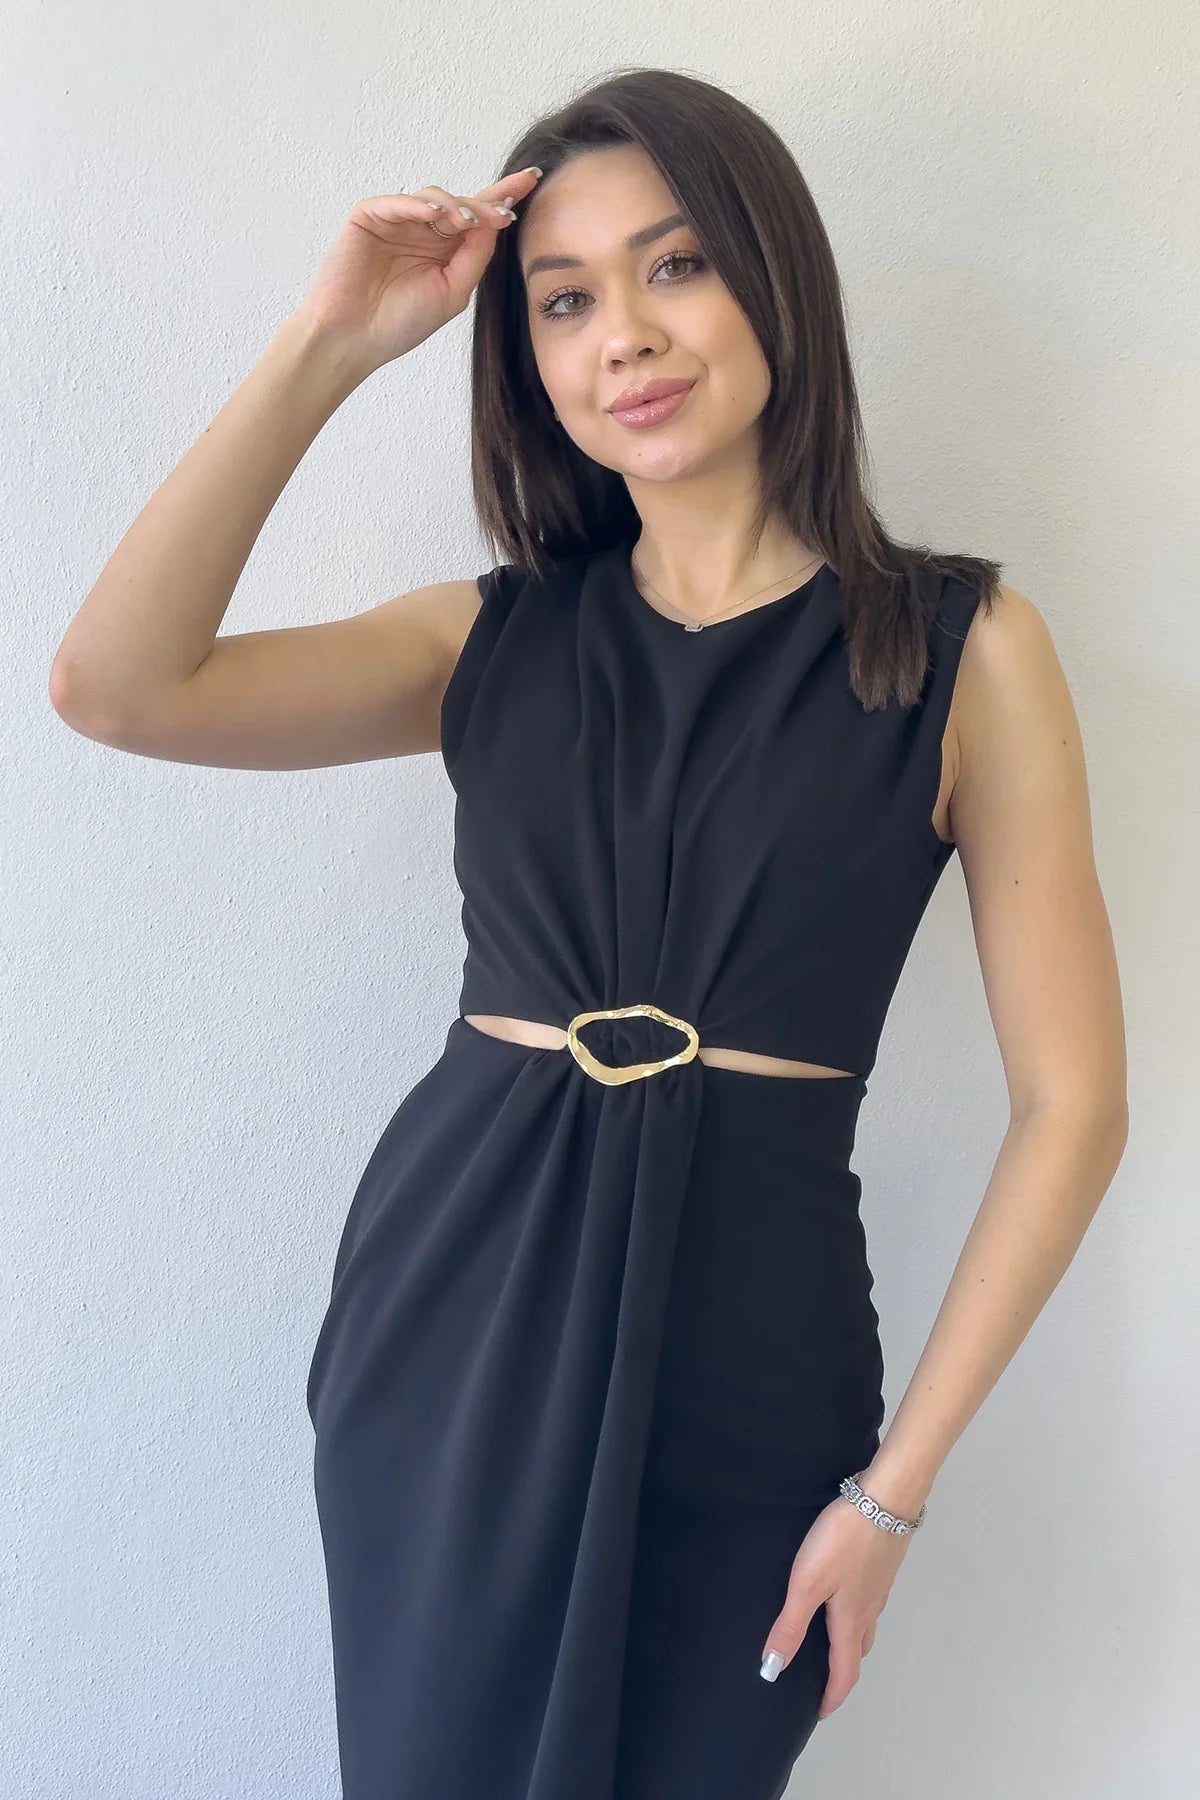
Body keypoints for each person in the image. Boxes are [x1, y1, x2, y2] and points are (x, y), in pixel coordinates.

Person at [50, 66, 1129, 1800]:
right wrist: (331, 343)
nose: (623, 334)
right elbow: (116, 686)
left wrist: (891, 1496)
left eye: (675, 265)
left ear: (776, 280)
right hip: (455, 1327)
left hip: (757, 1366)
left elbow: (1073, 1109)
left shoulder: (962, 652)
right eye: (563, 299)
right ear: (528, 356)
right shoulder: (486, 639)